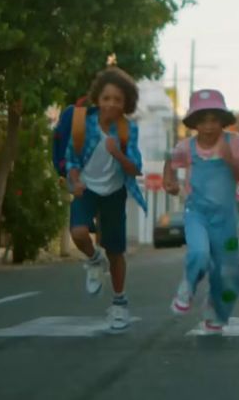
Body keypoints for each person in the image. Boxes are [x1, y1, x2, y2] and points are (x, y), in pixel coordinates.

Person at [65, 66, 146, 332]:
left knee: (116, 251)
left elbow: (136, 168)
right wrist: (75, 180)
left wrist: (118, 153)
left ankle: (119, 303)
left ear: (126, 104)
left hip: (114, 192)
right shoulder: (82, 125)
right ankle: (92, 259)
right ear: (97, 99)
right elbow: (72, 159)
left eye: (118, 100)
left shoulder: (126, 130)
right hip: (86, 189)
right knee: (78, 233)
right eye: (106, 98)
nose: (111, 104)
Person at [164, 89, 239, 334]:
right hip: (197, 213)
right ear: (193, 123)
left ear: (224, 120)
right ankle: (187, 287)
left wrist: (231, 160)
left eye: (214, 119)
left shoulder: (237, 143)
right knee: (199, 254)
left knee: (228, 275)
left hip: (225, 218)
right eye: (202, 120)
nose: (209, 126)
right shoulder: (186, 147)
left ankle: (216, 312)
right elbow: (170, 160)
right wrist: (168, 181)